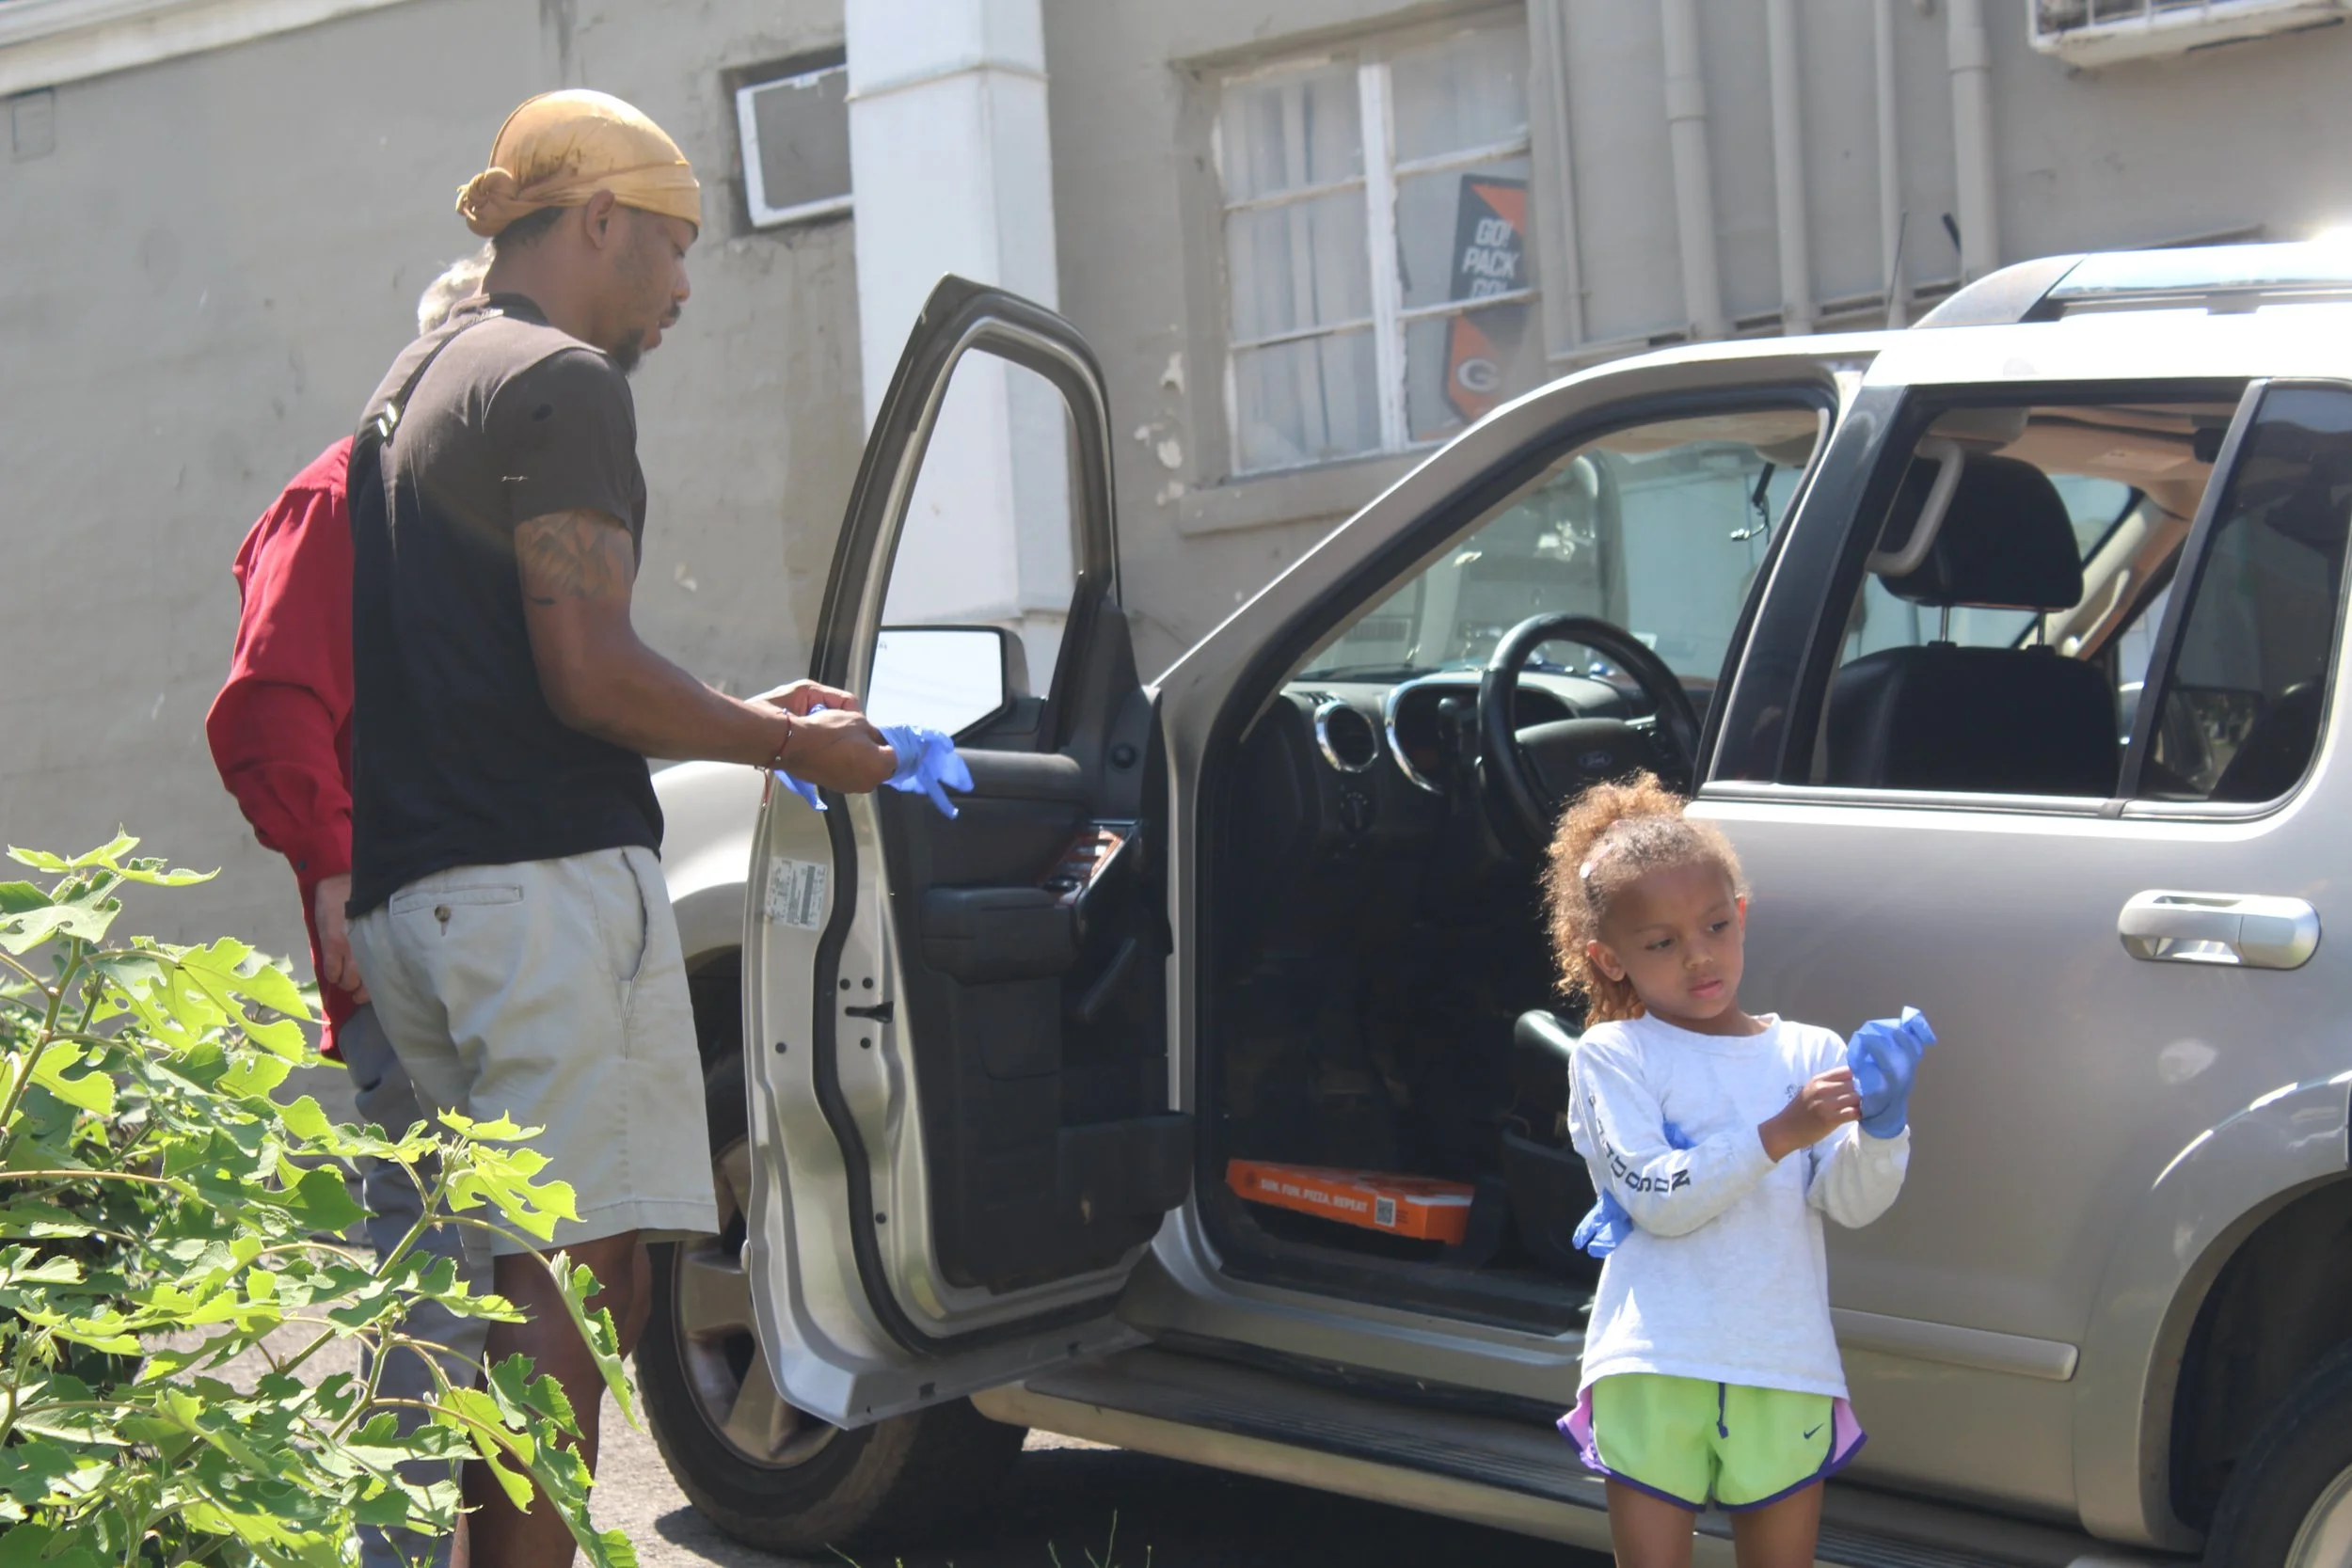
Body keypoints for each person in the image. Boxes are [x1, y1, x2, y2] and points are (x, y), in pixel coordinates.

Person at [342, 89, 896, 1568]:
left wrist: (735, 704)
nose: (684, 283)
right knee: (574, 1296)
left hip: (418, 907)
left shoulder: (412, 383)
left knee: (504, 1289)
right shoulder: (567, 380)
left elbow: (514, 662)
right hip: (537, 908)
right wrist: (794, 743)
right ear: (595, 222)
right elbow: (587, 672)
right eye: (670, 243)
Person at [206, 244, 494, 1568]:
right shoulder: (345, 496)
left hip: (491, 952)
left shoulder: (470, 527)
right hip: (405, 956)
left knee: (498, 1287)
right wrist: (333, 872)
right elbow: (267, 702)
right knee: (434, 1290)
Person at [1544, 774, 1912, 1568]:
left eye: (1714, 924)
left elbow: (1847, 1201)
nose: (1699, 955)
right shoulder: (1613, 1056)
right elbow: (1654, 1199)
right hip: (1653, 1362)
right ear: (1608, 959)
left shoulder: (1809, 1051)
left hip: (1785, 1366)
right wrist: (1779, 1131)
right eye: (1661, 942)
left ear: (1742, 912)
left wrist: (1883, 1127)